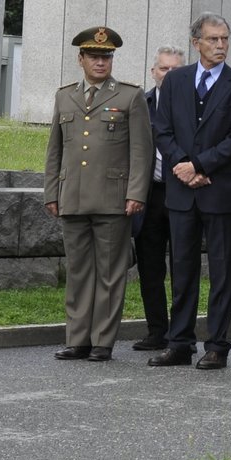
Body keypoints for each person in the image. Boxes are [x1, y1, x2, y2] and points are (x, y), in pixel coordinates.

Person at [149, 13, 231, 371]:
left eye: (225, 39)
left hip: (219, 191)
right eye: (213, 39)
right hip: (182, 193)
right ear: (196, 42)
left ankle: (216, 345)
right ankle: (179, 342)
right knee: (181, 268)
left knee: (222, 271)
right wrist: (183, 164)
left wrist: (199, 166)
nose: (221, 45)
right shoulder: (176, 81)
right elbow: (162, 129)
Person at [43, 26, 152, 362]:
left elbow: (142, 151)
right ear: (81, 59)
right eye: (94, 56)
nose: (101, 62)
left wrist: (136, 193)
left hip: (112, 198)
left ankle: (102, 341)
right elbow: (55, 149)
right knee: (78, 271)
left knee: (109, 272)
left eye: (106, 56)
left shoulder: (130, 96)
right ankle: (77, 339)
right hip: (72, 196)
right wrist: (51, 192)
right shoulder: (65, 96)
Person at [130, 45, 184, 351]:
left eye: (176, 69)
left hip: (182, 193)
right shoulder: (141, 103)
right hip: (149, 195)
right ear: (154, 72)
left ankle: (180, 332)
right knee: (150, 268)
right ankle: (156, 330)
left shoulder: (192, 104)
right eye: (164, 69)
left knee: (181, 267)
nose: (169, 74)